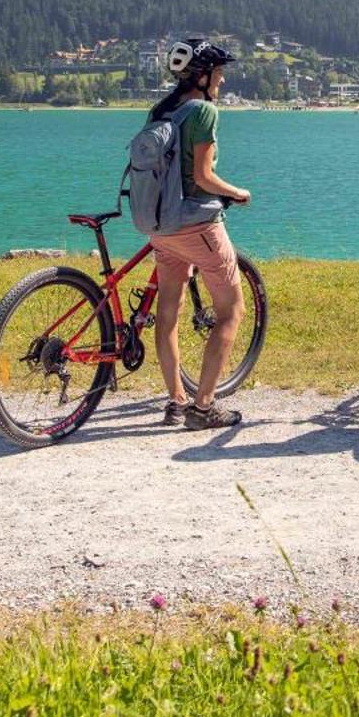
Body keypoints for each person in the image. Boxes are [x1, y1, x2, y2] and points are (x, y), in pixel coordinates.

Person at [147, 38, 253, 430]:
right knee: (231, 311)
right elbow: (203, 176)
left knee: (168, 313)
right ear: (203, 75)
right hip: (197, 224)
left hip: (161, 227)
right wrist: (237, 193)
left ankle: (175, 401)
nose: (222, 81)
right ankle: (204, 407)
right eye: (219, 74)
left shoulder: (162, 111)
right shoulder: (203, 112)